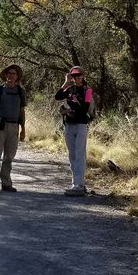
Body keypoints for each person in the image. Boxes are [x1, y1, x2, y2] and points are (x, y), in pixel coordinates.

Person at [0, 64, 26, 192]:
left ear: (17, 77)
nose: (11, 75)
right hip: (0, 126)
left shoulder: (21, 91)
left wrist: (23, 129)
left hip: (14, 126)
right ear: (5, 75)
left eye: (13, 74)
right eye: (9, 73)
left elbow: (22, 111)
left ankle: (6, 183)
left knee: (9, 156)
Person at [55, 66, 93, 196]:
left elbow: (84, 108)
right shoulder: (69, 89)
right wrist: (66, 82)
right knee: (72, 155)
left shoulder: (87, 90)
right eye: (74, 76)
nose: (76, 78)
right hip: (69, 124)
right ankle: (76, 183)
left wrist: (70, 109)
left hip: (81, 124)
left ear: (83, 76)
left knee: (79, 154)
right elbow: (58, 96)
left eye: (78, 75)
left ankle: (79, 185)